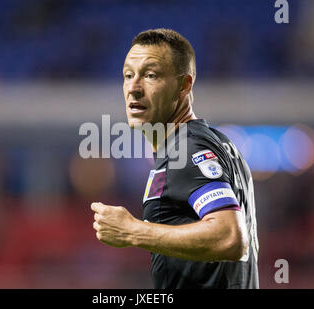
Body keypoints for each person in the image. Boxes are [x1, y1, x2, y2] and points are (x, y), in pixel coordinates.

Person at [91, 28, 259, 289]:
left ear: (184, 85)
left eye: (150, 75)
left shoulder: (188, 148)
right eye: (127, 75)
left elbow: (230, 237)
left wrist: (132, 230)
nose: (134, 88)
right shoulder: (213, 144)